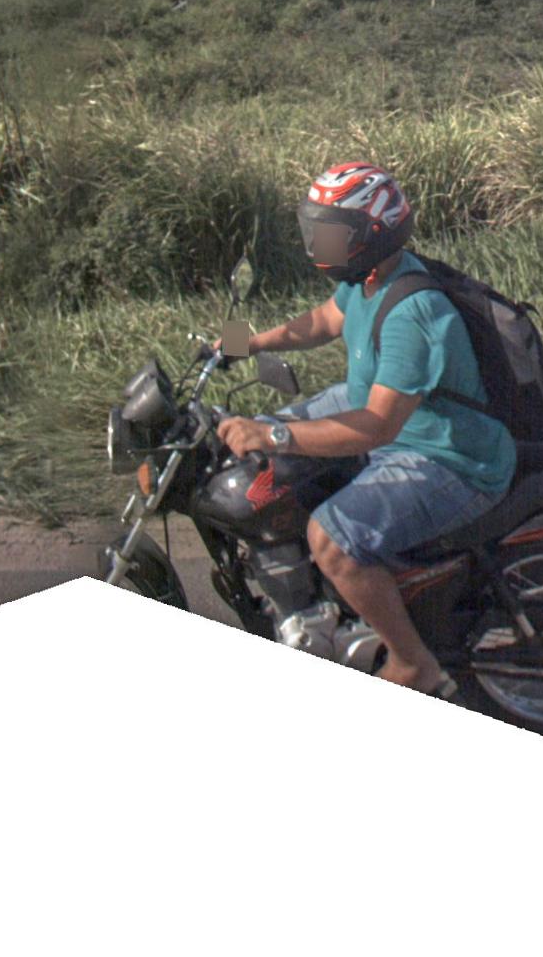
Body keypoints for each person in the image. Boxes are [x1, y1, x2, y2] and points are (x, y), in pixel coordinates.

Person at [217, 162, 518, 698]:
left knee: (332, 538)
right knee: (271, 441)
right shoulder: (368, 278)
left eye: (331, 235)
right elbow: (323, 321)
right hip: (392, 420)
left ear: (372, 234)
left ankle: (413, 664)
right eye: (315, 232)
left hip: (448, 458)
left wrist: (275, 438)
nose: (318, 246)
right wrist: (246, 342)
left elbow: (377, 426)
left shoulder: (413, 311)